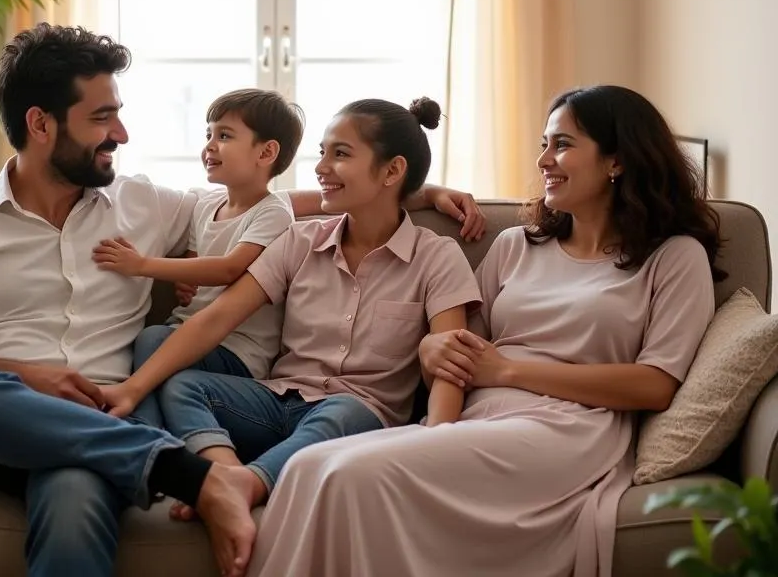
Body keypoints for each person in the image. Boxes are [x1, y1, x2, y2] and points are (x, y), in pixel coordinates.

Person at [0, 23, 484, 577]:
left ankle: (157, 465)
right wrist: (23, 378)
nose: (121, 134)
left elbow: (258, 199)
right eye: (103, 118)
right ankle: (187, 473)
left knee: (74, 495)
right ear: (41, 124)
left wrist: (413, 188)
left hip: (97, 433)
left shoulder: (144, 203)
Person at [244, 85, 723, 577]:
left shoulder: (673, 256)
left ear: (616, 161)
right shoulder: (516, 245)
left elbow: (656, 385)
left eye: (562, 144)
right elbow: (461, 348)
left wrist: (511, 370)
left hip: (569, 429)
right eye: (543, 144)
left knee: (351, 476)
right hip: (481, 417)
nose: (543, 160)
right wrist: (433, 357)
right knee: (305, 467)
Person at [101, 97, 481, 522]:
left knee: (346, 410)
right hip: (276, 399)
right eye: (322, 152)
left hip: (356, 415)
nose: (320, 166)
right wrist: (133, 388)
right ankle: (224, 476)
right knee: (183, 385)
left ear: (392, 171)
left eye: (340, 154)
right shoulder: (300, 241)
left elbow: (451, 360)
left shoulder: (437, 257)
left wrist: (434, 447)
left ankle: (252, 481)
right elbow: (216, 318)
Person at [93, 89, 305, 406]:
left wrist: (140, 265)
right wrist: (185, 279)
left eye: (225, 135)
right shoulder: (206, 204)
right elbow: (196, 261)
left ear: (265, 153)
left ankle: (136, 419)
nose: (209, 146)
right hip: (185, 334)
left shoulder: (273, 212)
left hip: (238, 351)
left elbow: (229, 268)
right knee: (151, 348)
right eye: (209, 134)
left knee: (152, 340)